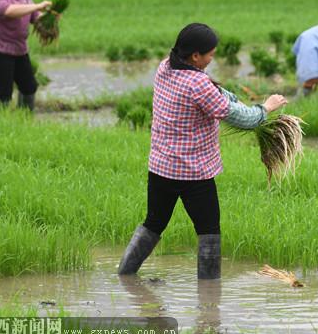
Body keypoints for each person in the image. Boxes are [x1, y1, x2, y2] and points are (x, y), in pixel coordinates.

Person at [118, 23, 287, 280]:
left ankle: (124, 275)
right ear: (195, 56)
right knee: (209, 231)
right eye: (210, 54)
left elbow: (217, 93)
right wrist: (266, 108)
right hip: (193, 173)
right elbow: (243, 119)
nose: (212, 58)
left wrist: (234, 99)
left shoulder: (166, 66)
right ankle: (209, 296)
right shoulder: (197, 84)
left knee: (154, 222)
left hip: (161, 168)